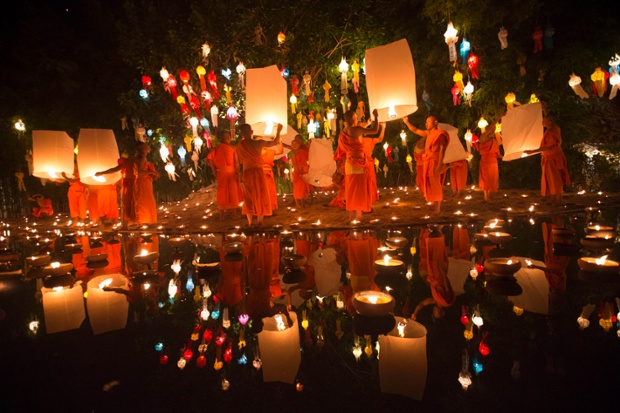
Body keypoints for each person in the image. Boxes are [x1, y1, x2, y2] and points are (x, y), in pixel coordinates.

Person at [235, 123, 282, 227]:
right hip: (258, 172)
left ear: (241, 134)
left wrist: (238, 175)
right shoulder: (259, 143)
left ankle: (250, 222)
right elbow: (275, 142)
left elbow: (237, 162)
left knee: (248, 196)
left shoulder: (239, 146)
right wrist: (278, 130)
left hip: (247, 172)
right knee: (261, 194)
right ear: (252, 132)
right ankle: (260, 221)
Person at [338, 109, 380, 221]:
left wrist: (367, 123)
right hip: (357, 163)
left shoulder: (345, 131)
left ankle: (352, 215)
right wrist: (376, 117)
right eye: (356, 117)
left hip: (349, 163)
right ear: (352, 118)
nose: (357, 119)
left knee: (351, 189)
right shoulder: (355, 129)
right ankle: (358, 215)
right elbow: (375, 130)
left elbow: (360, 130)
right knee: (359, 189)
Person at [403, 115, 449, 214]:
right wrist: (406, 122)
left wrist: (440, 164)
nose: (426, 124)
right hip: (427, 161)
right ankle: (433, 204)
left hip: (435, 161)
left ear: (435, 122)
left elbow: (442, 149)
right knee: (429, 183)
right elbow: (415, 130)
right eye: (426, 122)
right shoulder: (428, 133)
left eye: (428, 121)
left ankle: (437, 208)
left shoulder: (440, 134)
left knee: (435, 184)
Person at [524, 113, 570, 205]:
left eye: (544, 120)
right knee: (550, 178)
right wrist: (545, 108)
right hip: (548, 157)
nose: (542, 122)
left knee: (555, 178)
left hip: (553, 158)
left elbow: (550, 146)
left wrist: (532, 151)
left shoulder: (552, 131)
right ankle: (553, 198)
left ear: (549, 122)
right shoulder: (552, 129)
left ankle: (558, 200)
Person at [96, 144, 140, 229]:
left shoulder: (127, 162)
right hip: (134, 184)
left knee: (127, 204)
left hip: (129, 185)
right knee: (133, 203)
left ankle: (126, 225)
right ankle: (135, 223)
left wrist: (102, 173)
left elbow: (114, 169)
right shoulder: (137, 161)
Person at [206, 131, 243, 219]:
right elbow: (237, 163)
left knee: (222, 192)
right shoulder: (233, 148)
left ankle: (221, 215)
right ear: (228, 138)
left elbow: (209, 159)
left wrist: (213, 170)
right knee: (233, 192)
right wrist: (238, 173)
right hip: (231, 172)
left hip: (221, 172)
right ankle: (233, 214)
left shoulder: (216, 149)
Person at [133, 142, 160, 224]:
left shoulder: (141, 158)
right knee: (143, 205)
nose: (148, 149)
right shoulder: (141, 158)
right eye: (146, 148)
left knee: (147, 205)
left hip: (145, 184)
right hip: (142, 184)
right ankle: (144, 224)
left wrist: (151, 174)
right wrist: (151, 173)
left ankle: (146, 223)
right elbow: (138, 173)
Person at [361, 121, 386, 207]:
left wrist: (383, 127)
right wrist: (367, 124)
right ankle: (364, 201)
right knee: (362, 182)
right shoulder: (357, 138)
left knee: (370, 181)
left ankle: (369, 200)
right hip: (360, 162)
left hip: (368, 162)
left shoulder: (369, 140)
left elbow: (380, 139)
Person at [284, 135, 312, 207]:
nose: (295, 145)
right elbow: (295, 164)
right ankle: (297, 203)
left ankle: (303, 202)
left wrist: (310, 144)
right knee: (297, 187)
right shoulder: (293, 153)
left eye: (297, 142)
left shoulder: (303, 150)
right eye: (293, 144)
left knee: (303, 187)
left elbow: (310, 154)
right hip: (298, 171)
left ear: (300, 142)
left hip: (304, 170)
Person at [478, 119, 502, 201]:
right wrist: (499, 117)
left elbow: (498, 154)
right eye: (491, 129)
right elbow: (490, 127)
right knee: (485, 178)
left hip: (493, 161)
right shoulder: (483, 137)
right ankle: (485, 195)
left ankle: (489, 194)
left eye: (494, 130)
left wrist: (504, 157)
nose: (492, 131)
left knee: (492, 178)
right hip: (486, 161)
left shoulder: (494, 140)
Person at [259, 136, 284, 211]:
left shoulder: (270, 151)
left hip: (268, 172)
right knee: (261, 191)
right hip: (259, 173)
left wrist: (280, 142)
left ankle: (270, 207)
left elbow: (280, 151)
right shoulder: (255, 151)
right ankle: (262, 208)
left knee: (270, 190)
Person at [62, 161, 88, 226]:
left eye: (76, 166)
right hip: (72, 191)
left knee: (82, 206)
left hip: (81, 190)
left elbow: (74, 180)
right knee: (73, 206)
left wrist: (65, 177)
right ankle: (75, 221)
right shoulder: (70, 173)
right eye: (74, 166)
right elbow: (63, 180)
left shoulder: (82, 173)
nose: (75, 167)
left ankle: (82, 221)